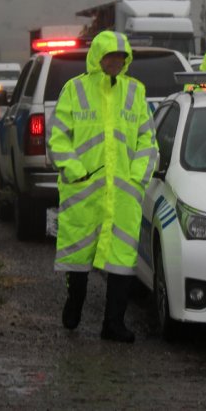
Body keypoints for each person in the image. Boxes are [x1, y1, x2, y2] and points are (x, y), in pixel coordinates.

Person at [48, 30, 159, 343]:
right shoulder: (75, 90)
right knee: (78, 258)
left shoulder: (135, 92)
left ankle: (113, 324)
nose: (116, 61)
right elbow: (58, 137)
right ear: (97, 57)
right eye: (110, 56)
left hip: (124, 193)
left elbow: (146, 140)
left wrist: (137, 178)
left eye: (121, 57)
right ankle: (75, 302)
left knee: (122, 260)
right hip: (84, 191)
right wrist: (76, 172)